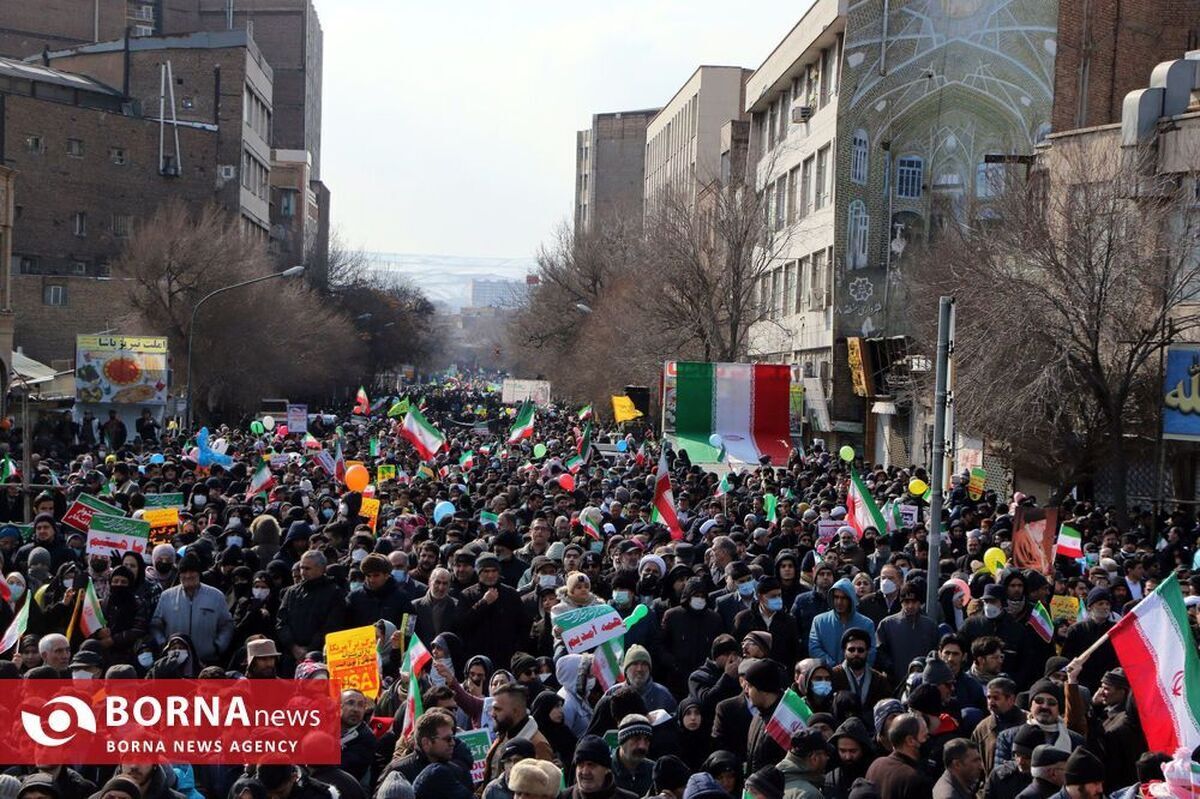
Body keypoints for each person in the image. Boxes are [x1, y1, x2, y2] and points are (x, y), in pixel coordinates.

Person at [149, 554, 233, 665]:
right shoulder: (167, 596)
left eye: (192, 571)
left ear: (199, 573)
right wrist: (164, 645)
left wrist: (218, 647)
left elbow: (227, 625)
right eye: (184, 572)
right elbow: (156, 626)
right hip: (174, 662)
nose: (188, 575)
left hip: (207, 661)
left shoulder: (216, 596)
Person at [275, 550, 345, 665]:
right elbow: (281, 622)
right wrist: (293, 647)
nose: (303, 572)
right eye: (301, 568)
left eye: (307, 569)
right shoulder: (292, 592)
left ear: (321, 569)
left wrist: (308, 650)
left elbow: (332, 626)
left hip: (319, 657)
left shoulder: (334, 593)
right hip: (291, 657)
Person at [482, 684, 554, 785]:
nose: (492, 714)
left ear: (516, 711)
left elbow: (543, 787)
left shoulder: (538, 745)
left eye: (498, 709)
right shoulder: (504, 733)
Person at [809, 577, 876, 667]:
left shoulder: (866, 624)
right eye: (836, 597)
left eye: (844, 598)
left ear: (851, 599)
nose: (839, 602)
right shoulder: (819, 621)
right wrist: (835, 668)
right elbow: (814, 649)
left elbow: (871, 652)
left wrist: (853, 669)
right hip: (828, 674)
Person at [863, 713, 933, 799]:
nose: (928, 740)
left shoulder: (876, 765)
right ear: (910, 741)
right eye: (925, 736)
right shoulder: (916, 780)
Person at [875, 584, 937, 676]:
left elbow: (935, 652)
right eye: (906, 602)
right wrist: (889, 668)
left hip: (923, 679)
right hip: (895, 681)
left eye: (914, 602)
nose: (910, 606)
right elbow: (880, 652)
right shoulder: (887, 624)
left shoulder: (930, 625)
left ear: (920, 603)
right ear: (901, 603)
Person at [561, 735, 639, 799]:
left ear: (607, 769)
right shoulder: (563, 797)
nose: (585, 772)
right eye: (580, 765)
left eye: (591, 765)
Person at [776, 729, 828, 799]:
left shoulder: (768, 782)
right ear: (814, 758)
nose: (828, 758)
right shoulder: (810, 794)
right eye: (825, 754)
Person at [611, 714, 655, 796]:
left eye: (646, 740)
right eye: (636, 739)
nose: (642, 746)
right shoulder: (605, 772)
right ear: (622, 741)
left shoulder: (654, 771)